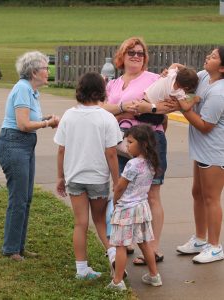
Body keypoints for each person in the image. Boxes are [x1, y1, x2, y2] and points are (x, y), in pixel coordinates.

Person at [102, 37, 175, 264]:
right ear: (121, 56)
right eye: (131, 52)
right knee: (122, 190)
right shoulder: (113, 83)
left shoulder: (154, 79)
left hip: (149, 140)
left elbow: (168, 106)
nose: (136, 56)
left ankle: (153, 247)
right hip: (121, 142)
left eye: (140, 53)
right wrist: (123, 110)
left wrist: (146, 108)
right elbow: (102, 109)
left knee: (151, 193)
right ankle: (126, 242)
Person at [54, 72, 122, 279]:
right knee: (100, 221)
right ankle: (112, 254)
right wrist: (117, 181)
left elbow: (61, 150)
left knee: (80, 223)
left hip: (75, 178)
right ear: (101, 91)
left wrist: (60, 177)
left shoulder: (68, 115)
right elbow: (111, 153)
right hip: (98, 179)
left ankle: (81, 270)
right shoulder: (107, 118)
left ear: (79, 90)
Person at [0, 51, 59, 262]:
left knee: (26, 198)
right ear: (34, 72)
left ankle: (18, 246)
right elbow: (23, 125)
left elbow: (28, 119)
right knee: (19, 199)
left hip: (24, 145)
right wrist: (47, 123)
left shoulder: (31, 91)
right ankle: (11, 249)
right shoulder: (22, 89)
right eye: (44, 68)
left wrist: (43, 118)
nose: (47, 71)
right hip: (13, 144)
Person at [176, 47, 224, 264]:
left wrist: (184, 109)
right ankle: (200, 238)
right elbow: (190, 77)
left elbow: (205, 126)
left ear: (222, 68)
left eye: (213, 57)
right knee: (198, 193)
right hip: (202, 150)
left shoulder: (219, 93)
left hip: (215, 152)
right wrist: (176, 70)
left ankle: (215, 246)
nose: (208, 57)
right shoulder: (205, 77)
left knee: (211, 198)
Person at [107, 125, 162, 291]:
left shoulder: (132, 164)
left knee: (120, 245)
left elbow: (120, 187)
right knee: (145, 243)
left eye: (130, 142)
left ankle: (117, 281)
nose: (126, 146)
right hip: (142, 208)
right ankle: (154, 276)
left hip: (126, 209)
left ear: (143, 144)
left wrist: (116, 202)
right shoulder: (151, 163)